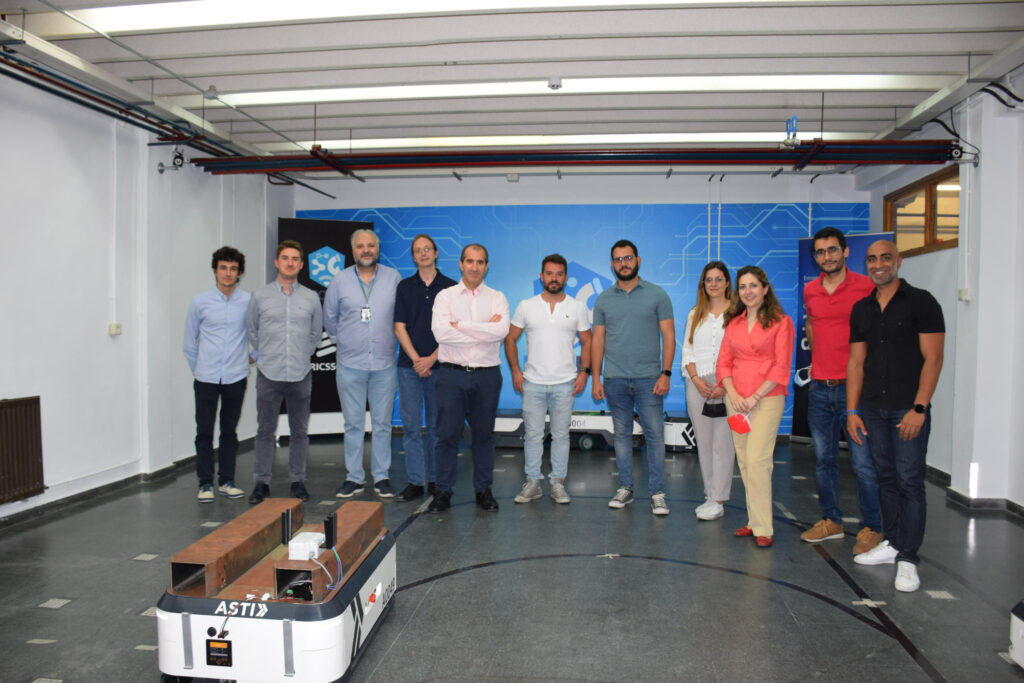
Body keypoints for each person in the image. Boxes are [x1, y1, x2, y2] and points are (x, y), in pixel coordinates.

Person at [847, 239, 944, 593]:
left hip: (908, 409)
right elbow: (856, 362)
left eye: (885, 258)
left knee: (909, 481)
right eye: (872, 259)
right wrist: (852, 410)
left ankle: (908, 558)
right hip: (873, 409)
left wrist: (919, 408)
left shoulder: (922, 302)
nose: (879, 265)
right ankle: (892, 543)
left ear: (898, 261)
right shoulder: (862, 309)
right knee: (885, 479)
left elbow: (933, 358)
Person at [800, 227, 882, 554]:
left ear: (846, 252)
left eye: (833, 250)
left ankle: (873, 527)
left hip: (856, 390)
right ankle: (831, 521)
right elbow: (811, 324)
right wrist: (820, 361)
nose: (827, 256)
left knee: (863, 464)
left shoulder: (866, 286)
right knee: (824, 460)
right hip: (820, 388)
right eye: (820, 252)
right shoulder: (811, 290)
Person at [591, 239, 675, 516]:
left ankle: (657, 493)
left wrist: (666, 373)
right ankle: (625, 488)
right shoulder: (603, 299)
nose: (623, 263)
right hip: (614, 379)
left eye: (628, 258)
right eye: (618, 259)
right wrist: (596, 378)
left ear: (638, 260)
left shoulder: (657, 295)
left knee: (655, 436)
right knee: (622, 435)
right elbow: (598, 340)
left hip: (649, 379)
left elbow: (669, 336)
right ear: (612, 265)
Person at [427, 244, 510, 513]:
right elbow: (441, 334)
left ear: (487, 266)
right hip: (451, 375)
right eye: (470, 261)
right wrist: (484, 329)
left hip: (487, 376)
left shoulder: (497, 297)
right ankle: (443, 491)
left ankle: (483, 490)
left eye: (480, 262)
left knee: (484, 436)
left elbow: (500, 331)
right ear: (461, 264)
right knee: (447, 435)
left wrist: (461, 325)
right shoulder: (445, 297)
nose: (475, 267)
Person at [716, 265, 794, 547]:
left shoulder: (782, 322)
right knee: (745, 461)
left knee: (758, 460)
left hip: (767, 399)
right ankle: (753, 520)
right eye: (743, 287)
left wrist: (754, 397)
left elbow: (781, 366)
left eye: (753, 286)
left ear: (765, 289)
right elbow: (723, 362)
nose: (748, 291)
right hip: (736, 401)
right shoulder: (733, 324)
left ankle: (763, 527)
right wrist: (733, 393)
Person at [505, 254, 592, 505]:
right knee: (533, 435)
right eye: (550, 273)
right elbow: (510, 338)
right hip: (532, 383)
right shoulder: (526, 306)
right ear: (541, 276)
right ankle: (533, 483)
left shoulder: (577, 307)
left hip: (565, 383)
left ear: (565, 277)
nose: (554, 278)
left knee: (561, 435)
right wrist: (515, 370)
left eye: (559, 274)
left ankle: (557, 484)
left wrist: (584, 372)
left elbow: (587, 342)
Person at [324, 229, 401, 499]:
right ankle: (354, 477)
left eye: (370, 245)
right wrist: (345, 342)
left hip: (384, 363)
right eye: (360, 246)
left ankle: (382, 477)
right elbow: (330, 318)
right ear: (353, 250)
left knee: (382, 424)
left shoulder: (393, 278)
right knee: (353, 424)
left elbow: (401, 316)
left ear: (377, 249)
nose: (366, 250)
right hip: (350, 364)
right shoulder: (339, 281)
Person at [246, 240, 323, 504]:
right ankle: (261, 483)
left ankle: (297, 480)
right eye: (285, 258)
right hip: (269, 373)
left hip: (300, 374)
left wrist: (302, 353)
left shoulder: (311, 298)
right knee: (265, 431)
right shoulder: (259, 296)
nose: (290, 263)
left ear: (301, 265)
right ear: (277, 262)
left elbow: (316, 334)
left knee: (299, 431)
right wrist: (267, 352)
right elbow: (252, 330)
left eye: (295, 259)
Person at [183, 246, 251, 503]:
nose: (228, 273)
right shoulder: (199, 302)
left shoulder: (248, 302)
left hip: (236, 376)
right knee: (204, 431)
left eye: (233, 269)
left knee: (229, 431)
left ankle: (227, 481)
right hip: (206, 378)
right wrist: (200, 369)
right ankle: (204, 484)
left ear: (239, 273)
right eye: (223, 268)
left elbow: (258, 333)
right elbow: (189, 343)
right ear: (215, 271)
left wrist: (253, 356)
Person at [394, 234, 457, 501]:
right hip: (408, 367)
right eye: (418, 250)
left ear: (436, 253)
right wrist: (417, 359)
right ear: (413, 256)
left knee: (436, 428)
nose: (423, 253)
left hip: (441, 366)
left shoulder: (451, 288)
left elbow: (455, 330)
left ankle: (434, 480)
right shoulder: (404, 287)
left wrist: (431, 358)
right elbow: (399, 327)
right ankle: (415, 482)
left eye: (427, 249)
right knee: (410, 427)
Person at [682, 261, 734, 520]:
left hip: (727, 385)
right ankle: (710, 496)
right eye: (709, 279)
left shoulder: (738, 313)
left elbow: (742, 352)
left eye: (718, 279)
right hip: (697, 384)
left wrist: (725, 386)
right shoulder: (695, 314)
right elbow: (687, 350)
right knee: (703, 443)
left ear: (727, 282)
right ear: (703, 284)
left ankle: (719, 499)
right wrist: (696, 380)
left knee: (723, 444)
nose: (713, 284)